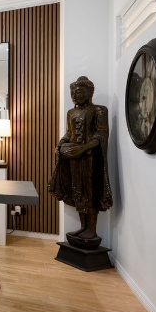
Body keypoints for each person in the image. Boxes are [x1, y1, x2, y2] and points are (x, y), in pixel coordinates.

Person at [48, 76, 113, 245]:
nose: (74, 96)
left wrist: (83, 148)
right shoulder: (71, 113)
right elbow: (69, 132)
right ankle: (83, 226)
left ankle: (92, 229)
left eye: (78, 92)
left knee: (89, 190)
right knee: (77, 190)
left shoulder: (99, 110)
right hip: (73, 158)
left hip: (90, 158)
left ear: (89, 92)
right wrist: (61, 144)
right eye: (72, 93)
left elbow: (101, 134)